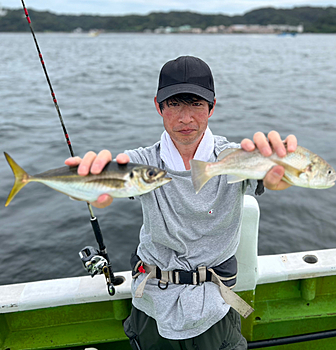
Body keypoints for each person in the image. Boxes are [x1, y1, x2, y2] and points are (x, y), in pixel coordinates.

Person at [65, 56, 297, 350]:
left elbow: (273, 178)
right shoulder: (143, 163)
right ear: (158, 106)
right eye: (174, 104)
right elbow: (108, 187)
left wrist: (284, 173)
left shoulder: (233, 158)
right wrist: (88, 186)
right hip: (152, 303)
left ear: (212, 107)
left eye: (196, 104)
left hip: (215, 305)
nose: (185, 118)